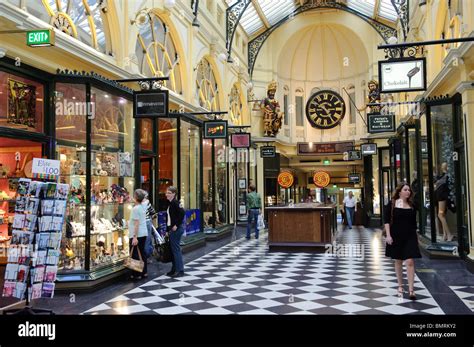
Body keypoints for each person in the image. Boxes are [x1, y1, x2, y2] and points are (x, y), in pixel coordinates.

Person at [384, 183, 421, 300]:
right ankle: (400, 285)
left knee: (410, 261)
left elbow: (414, 224)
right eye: (405, 190)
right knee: (398, 260)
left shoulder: (412, 205)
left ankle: (411, 290)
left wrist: (417, 238)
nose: (408, 192)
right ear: (399, 192)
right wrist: (388, 235)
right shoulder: (392, 204)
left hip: (410, 235)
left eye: (409, 190)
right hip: (396, 236)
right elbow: (387, 221)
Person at [165, 186, 185, 278]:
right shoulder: (171, 203)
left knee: (176, 250)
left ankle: (179, 270)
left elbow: (182, 213)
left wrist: (176, 225)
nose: (167, 194)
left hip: (176, 229)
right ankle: (174, 269)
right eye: (166, 193)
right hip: (172, 229)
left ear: (174, 194)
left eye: (169, 193)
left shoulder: (175, 203)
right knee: (173, 250)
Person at [129, 189, 148, 280]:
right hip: (143, 232)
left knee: (135, 254)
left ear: (136, 197)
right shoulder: (143, 206)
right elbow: (146, 200)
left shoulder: (135, 209)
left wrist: (134, 237)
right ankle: (144, 272)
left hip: (138, 234)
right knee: (142, 252)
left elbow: (136, 223)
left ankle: (137, 274)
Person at [434, 162, 453, 241]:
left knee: (440, 215)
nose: (443, 166)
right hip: (439, 197)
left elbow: (448, 186)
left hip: (442, 197)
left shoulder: (448, 176)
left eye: (444, 165)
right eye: (442, 165)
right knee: (442, 215)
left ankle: (449, 234)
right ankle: (445, 234)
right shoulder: (442, 176)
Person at [142, 193, 157, 263]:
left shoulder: (137, 204)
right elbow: (153, 213)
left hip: (141, 223)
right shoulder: (147, 203)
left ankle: (146, 256)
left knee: (144, 241)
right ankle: (148, 256)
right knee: (147, 240)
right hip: (147, 222)